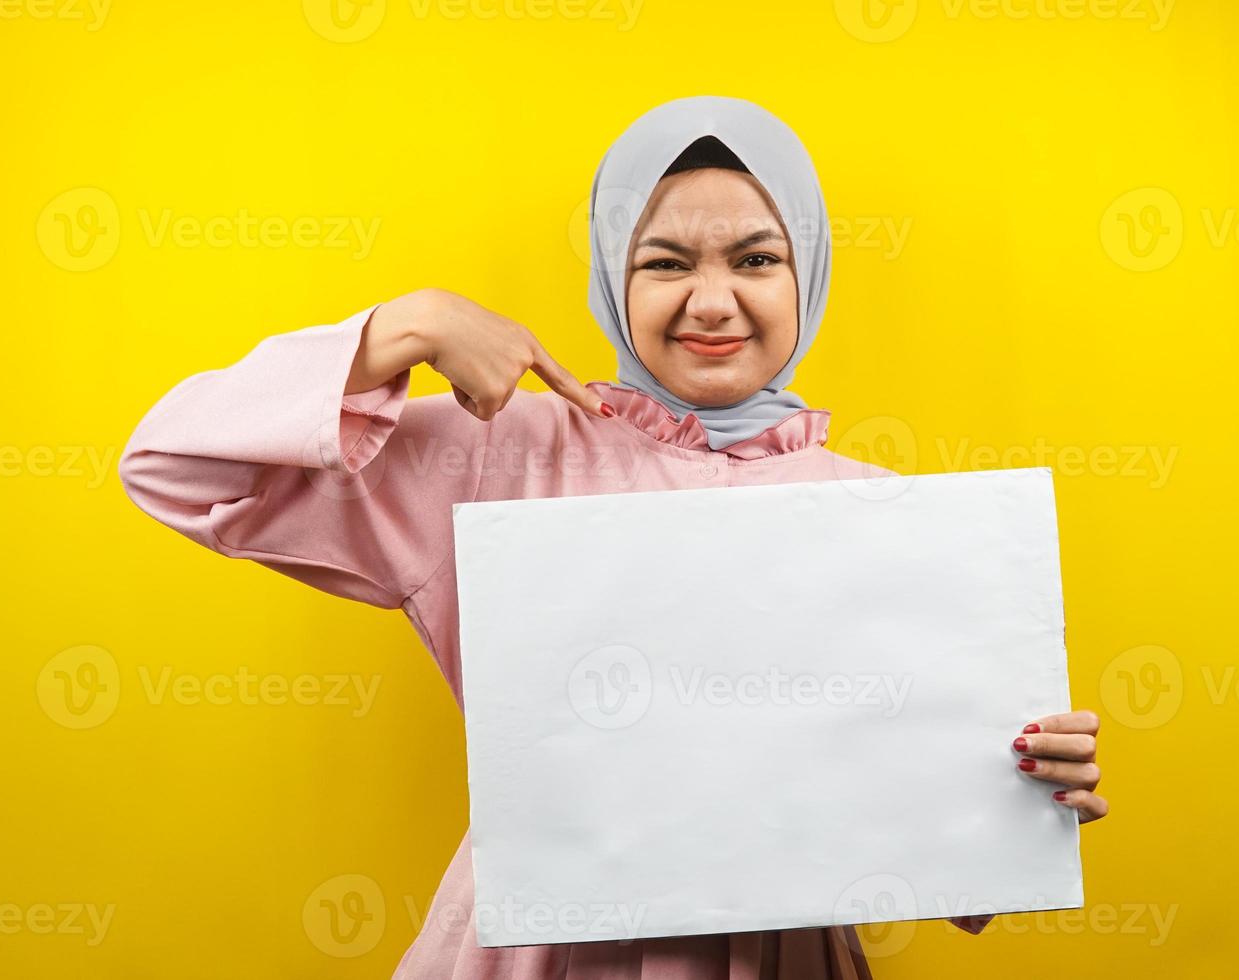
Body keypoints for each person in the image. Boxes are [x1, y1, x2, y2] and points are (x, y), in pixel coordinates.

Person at [119, 94, 1107, 980]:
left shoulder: (889, 518)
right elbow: (172, 465)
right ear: (610, 276)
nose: (712, 301)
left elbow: (924, 845)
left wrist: (1024, 789)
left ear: (809, 272)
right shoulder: (493, 453)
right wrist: (407, 328)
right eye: (665, 262)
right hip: (532, 954)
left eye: (757, 259)